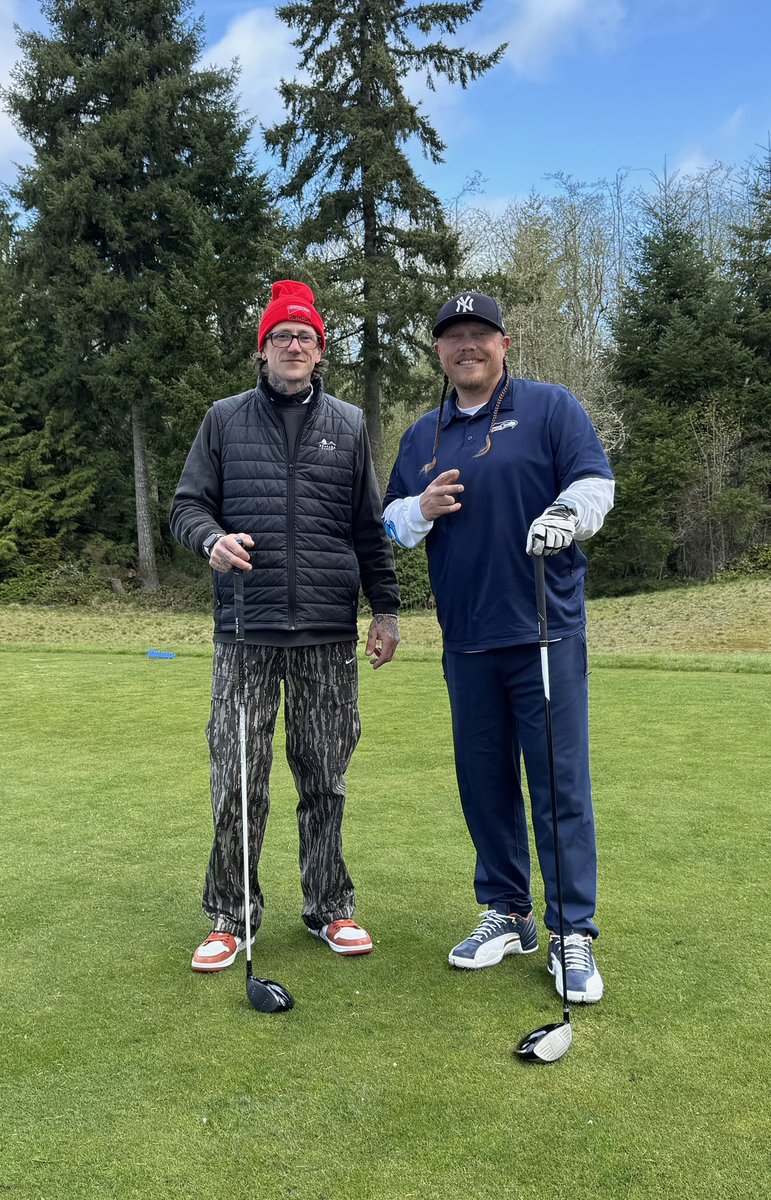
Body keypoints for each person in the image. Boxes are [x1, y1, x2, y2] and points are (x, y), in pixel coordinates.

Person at [383, 290, 614, 1003]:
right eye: (453, 337)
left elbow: (594, 483)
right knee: (483, 782)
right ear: (438, 352)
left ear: (503, 343)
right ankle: (507, 912)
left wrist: (565, 515)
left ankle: (570, 929)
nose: (467, 346)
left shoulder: (550, 408)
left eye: (479, 334)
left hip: (543, 628)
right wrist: (416, 511)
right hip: (468, 636)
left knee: (555, 785)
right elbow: (387, 522)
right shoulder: (424, 434)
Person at [171, 279, 400, 972]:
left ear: (320, 350)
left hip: (329, 631)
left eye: (304, 336)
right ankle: (229, 916)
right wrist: (210, 540)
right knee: (239, 778)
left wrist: (384, 611)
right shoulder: (222, 420)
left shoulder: (351, 425)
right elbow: (186, 506)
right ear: (261, 350)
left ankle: (330, 906)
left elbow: (369, 527)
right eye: (281, 336)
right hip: (246, 628)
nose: (293, 345)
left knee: (324, 775)